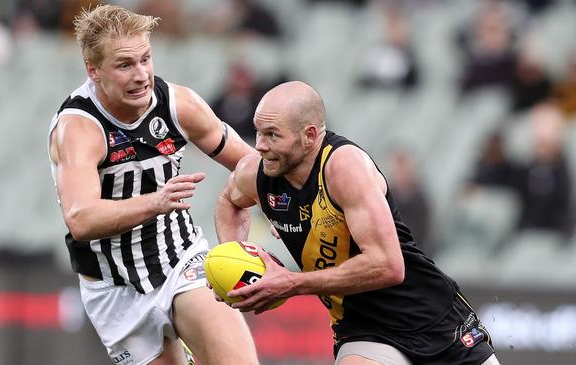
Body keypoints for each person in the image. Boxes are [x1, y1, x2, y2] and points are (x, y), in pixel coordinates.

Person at [214, 81, 501, 365]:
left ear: (309, 135)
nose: (260, 146)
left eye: (273, 135)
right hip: (362, 328)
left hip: (431, 318)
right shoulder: (256, 174)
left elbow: (387, 265)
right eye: (258, 132)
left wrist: (291, 283)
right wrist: (235, 259)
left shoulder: (343, 168)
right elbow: (229, 201)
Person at [47, 5, 258, 365]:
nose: (141, 75)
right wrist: (155, 203)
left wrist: (245, 202)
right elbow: (80, 220)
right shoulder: (79, 129)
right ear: (93, 70)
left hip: (180, 259)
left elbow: (250, 165)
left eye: (146, 59)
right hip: (113, 289)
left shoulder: (179, 104)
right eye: (125, 65)